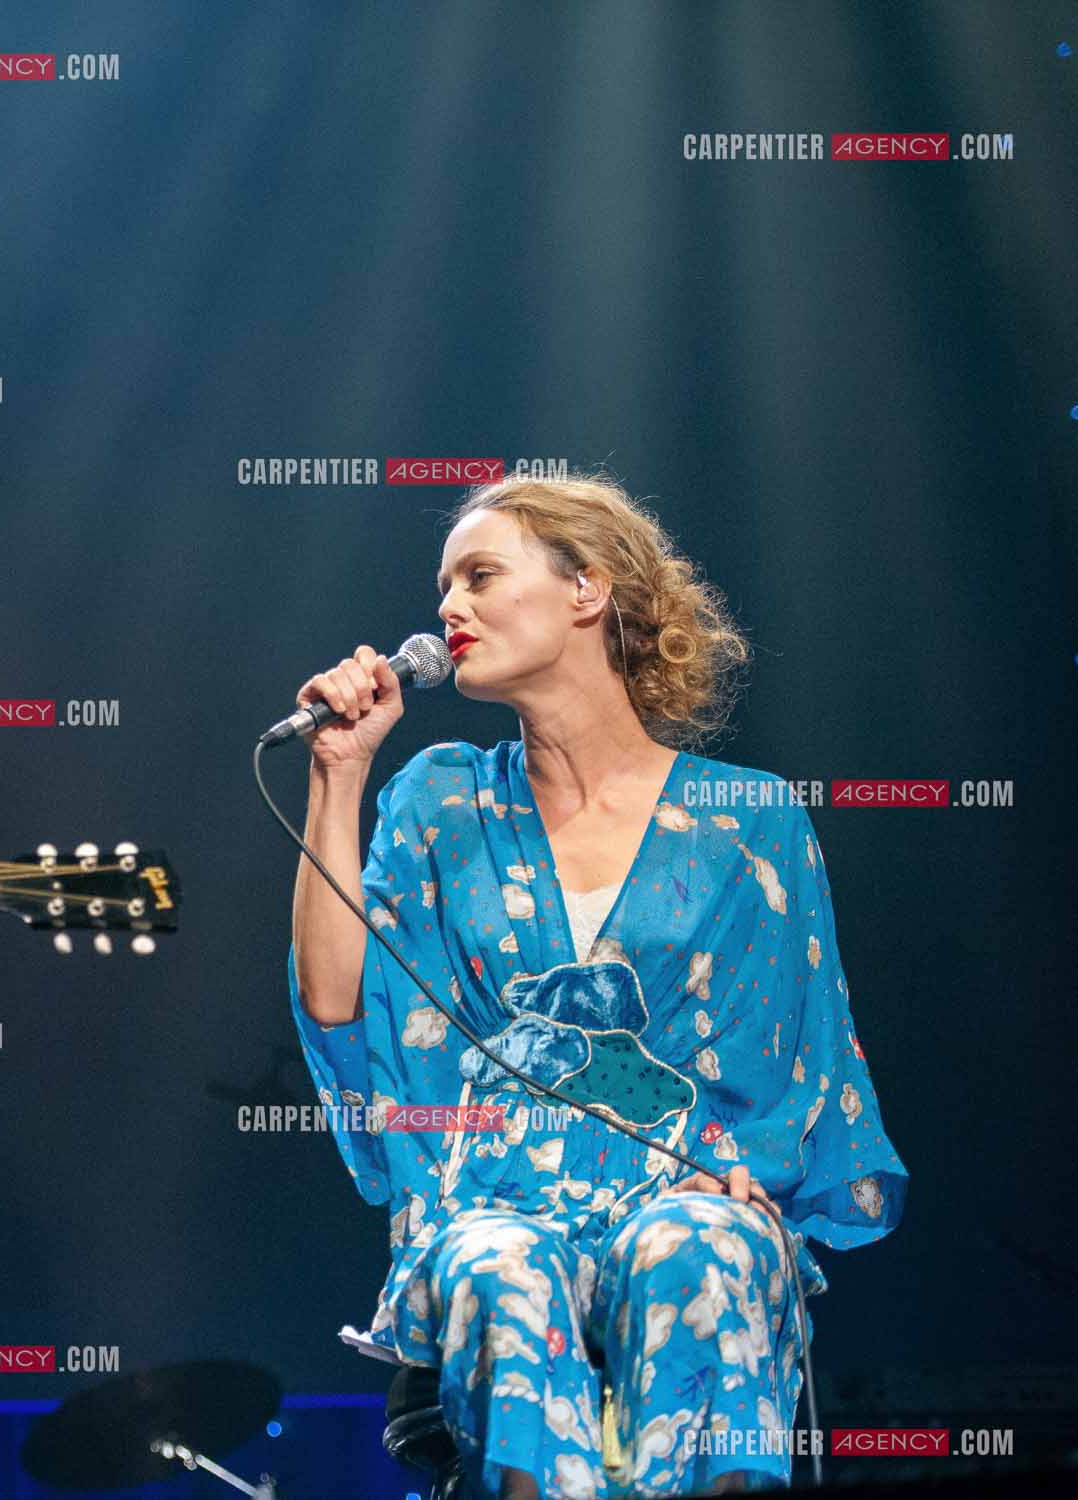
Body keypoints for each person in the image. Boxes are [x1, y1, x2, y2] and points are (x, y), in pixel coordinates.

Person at [286, 474, 905, 1497]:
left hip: (683, 1183)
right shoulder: (438, 802)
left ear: (586, 591)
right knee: (495, 1264)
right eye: (444, 586)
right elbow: (337, 1003)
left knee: (700, 1247)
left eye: (480, 576)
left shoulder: (747, 823)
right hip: (487, 1194)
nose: (447, 609)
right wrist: (338, 777)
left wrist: (743, 1171)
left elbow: (790, 1050)